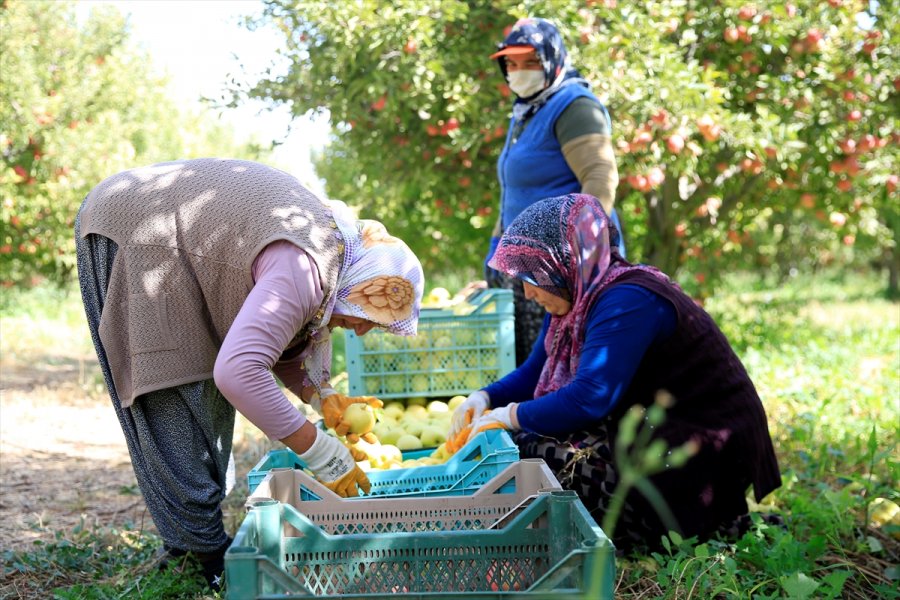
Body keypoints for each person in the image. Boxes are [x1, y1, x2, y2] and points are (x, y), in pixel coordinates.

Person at [75, 158, 424, 589]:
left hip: (160, 230)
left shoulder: (325, 252)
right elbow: (240, 371)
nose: (366, 328)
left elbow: (278, 337)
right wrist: (320, 452)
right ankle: (198, 560)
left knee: (203, 406)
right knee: (172, 388)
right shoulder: (304, 267)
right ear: (363, 282)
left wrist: (322, 396)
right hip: (138, 229)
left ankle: (196, 548)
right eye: (371, 314)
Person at [450, 193, 781, 551]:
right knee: (526, 447)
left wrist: (510, 416)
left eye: (532, 278)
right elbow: (534, 371)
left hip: (699, 449)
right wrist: (485, 397)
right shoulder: (575, 294)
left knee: (531, 454)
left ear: (563, 262)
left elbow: (591, 397)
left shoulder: (627, 301)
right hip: (654, 432)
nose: (528, 293)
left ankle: (697, 526)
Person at [485, 17, 625, 365]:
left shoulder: (574, 106)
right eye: (511, 63)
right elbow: (513, 193)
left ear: (552, 61)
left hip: (559, 268)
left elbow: (599, 176)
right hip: (527, 266)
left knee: (564, 366)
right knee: (532, 368)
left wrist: (574, 255)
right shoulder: (527, 113)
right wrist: (496, 253)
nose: (519, 72)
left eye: (531, 62)